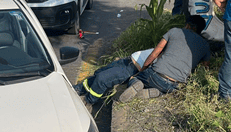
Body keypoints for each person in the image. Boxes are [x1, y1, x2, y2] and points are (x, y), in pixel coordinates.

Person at [73, 16, 211, 105]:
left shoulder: (175, 32)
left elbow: (154, 54)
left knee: (105, 77)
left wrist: (142, 71)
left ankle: (135, 83)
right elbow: (205, 69)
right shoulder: (205, 45)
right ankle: (154, 92)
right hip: (173, 85)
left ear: (187, 25)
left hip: (138, 67)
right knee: (100, 73)